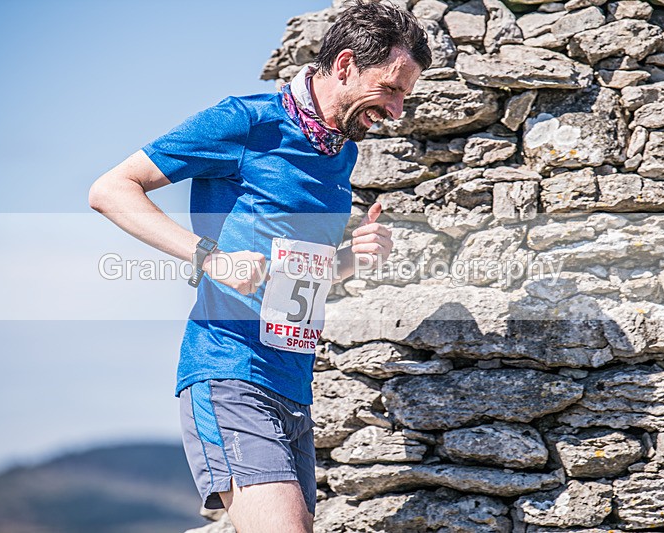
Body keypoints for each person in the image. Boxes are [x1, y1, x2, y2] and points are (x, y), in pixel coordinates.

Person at [88, 1, 431, 531]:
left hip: (293, 384)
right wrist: (211, 259)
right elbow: (111, 189)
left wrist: (349, 260)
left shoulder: (340, 153)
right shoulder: (245, 121)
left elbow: (293, 272)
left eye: (405, 95)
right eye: (390, 89)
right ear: (344, 65)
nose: (398, 110)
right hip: (230, 369)